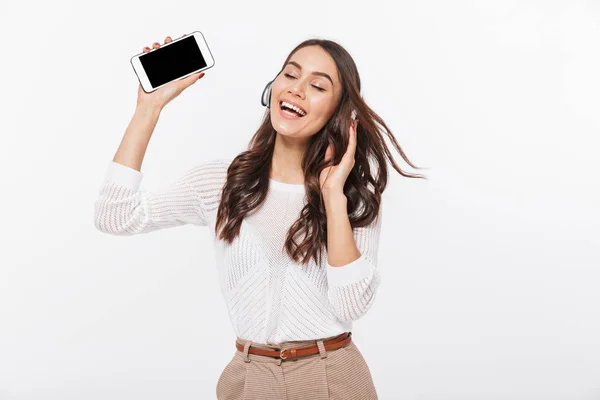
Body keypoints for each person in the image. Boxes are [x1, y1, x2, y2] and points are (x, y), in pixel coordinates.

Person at [94, 34, 426, 399]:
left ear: (339, 113)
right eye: (290, 75)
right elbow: (115, 216)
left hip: (330, 376)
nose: (297, 89)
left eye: (317, 86)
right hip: (248, 379)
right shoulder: (223, 183)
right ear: (274, 87)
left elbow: (352, 304)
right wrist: (148, 109)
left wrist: (332, 199)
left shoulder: (351, 197)